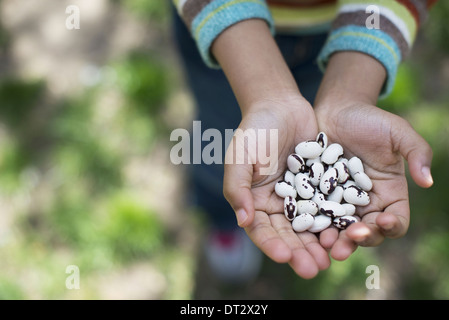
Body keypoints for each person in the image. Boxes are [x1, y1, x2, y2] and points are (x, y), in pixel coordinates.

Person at [171, 0, 436, 282]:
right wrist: (265, 93)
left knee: (303, 120)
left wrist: (350, 92)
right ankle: (222, 218)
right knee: (220, 151)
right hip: (220, 29)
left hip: (339, 37)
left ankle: (229, 211)